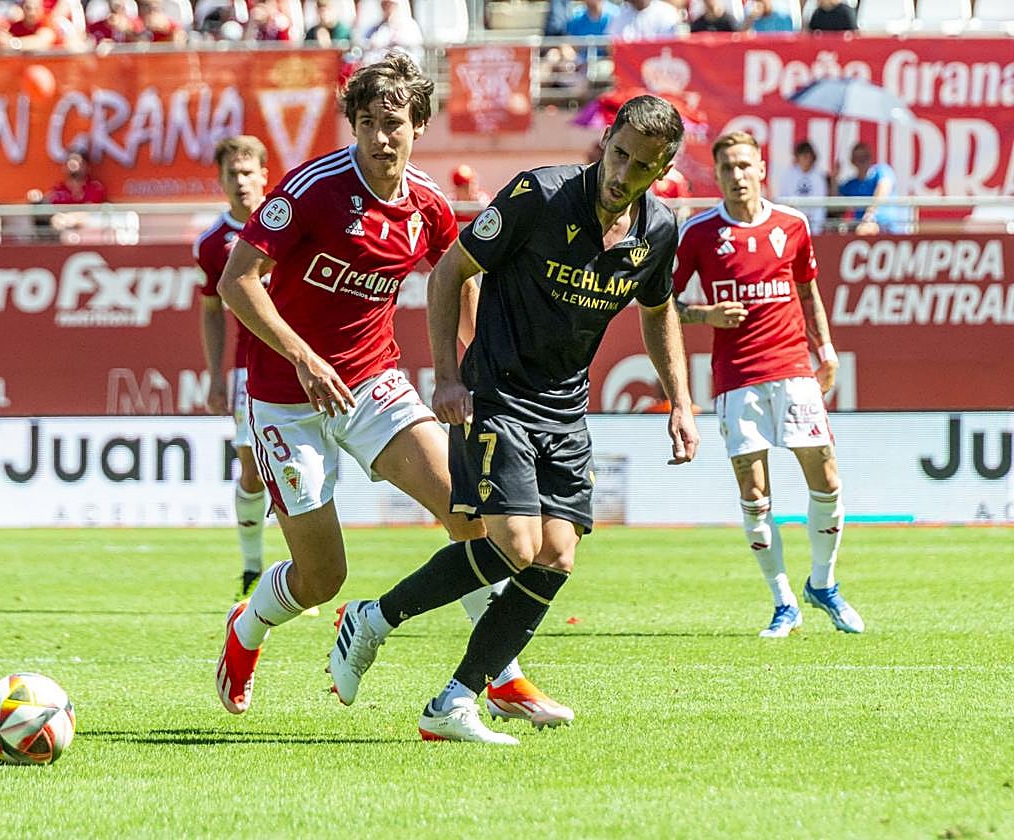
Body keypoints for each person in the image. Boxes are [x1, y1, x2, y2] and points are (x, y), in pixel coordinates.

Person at [328, 95, 701, 744]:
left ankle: (452, 700)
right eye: (617, 154)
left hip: (565, 407)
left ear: (662, 168)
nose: (621, 174)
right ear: (605, 141)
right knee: (517, 545)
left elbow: (657, 309)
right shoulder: (540, 195)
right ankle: (376, 619)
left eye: (641, 166)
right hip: (496, 394)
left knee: (556, 555)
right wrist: (447, 376)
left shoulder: (660, 230)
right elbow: (450, 272)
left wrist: (682, 400)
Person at [213, 53, 564, 722]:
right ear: (353, 125)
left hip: (373, 382)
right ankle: (247, 628)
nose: (380, 138)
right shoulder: (312, 189)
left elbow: (458, 276)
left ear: (418, 125)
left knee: (469, 516)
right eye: (368, 123)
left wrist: (475, 365)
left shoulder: (428, 203)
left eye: (394, 123)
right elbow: (237, 281)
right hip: (286, 396)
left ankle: (499, 677)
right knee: (323, 577)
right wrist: (304, 358)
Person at [672, 131, 864, 639]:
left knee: (827, 479)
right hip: (738, 378)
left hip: (794, 370)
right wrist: (706, 314)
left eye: (744, 165)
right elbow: (661, 304)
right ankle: (784, 602)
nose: (736, 175)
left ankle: (822, 584)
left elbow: (807, 291)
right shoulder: (698, 233)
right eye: (727, 168)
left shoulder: (791, 224)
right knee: (754, 492)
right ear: (717, 175)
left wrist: (825, 349)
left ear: (761, 169)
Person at [194, 136, 275, 603]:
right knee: (253, 470)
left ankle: (304, 572)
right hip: (251, 370)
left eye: (248, 172)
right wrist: (215, 376)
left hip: (306, 363)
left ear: (264, 175)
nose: (241, 181)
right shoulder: (212, 243)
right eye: (232, 174)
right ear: (221, 180)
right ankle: (252, 569)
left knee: (302, 472)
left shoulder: (291, 222)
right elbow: (211, 311)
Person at [839, 141, 910, 235]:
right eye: (858, 158)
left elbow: (884, 186)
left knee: (864, 230)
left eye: (866, 156)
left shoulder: (882, 170)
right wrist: (834, 178)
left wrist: (870, 213)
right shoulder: (851, 184)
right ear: (852, 161)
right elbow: (836, 199)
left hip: (887, 227)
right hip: (862, 228)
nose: (863, 160)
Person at [775, 140, 828, 234]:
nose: (806, 160)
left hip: (813, 224)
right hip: (793, 223)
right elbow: (784, 201)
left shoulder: (819, 176)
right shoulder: (788, 175)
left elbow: (820, 204)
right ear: (797, 157)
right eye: (803, 156)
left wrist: (816, 229)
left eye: (809, 156)